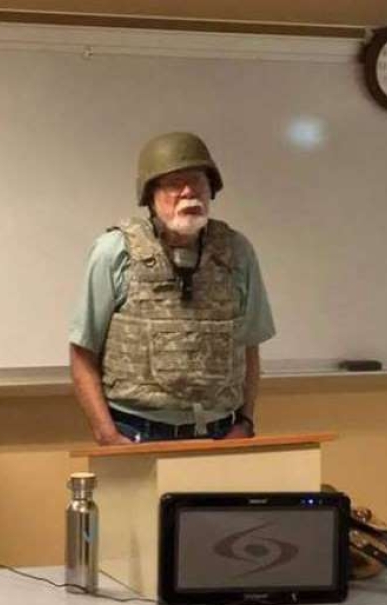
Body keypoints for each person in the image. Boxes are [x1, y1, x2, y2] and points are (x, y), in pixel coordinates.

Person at [69, 131, 275, 445]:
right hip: (135, 433)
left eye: (199, 181)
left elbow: (249, 347)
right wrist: (107, 434)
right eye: (174, 183)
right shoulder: (114, 252)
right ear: (150, 195)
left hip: (221, 435)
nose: (189, 192)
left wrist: (245, 423)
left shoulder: (236, 252)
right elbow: (83, 353)